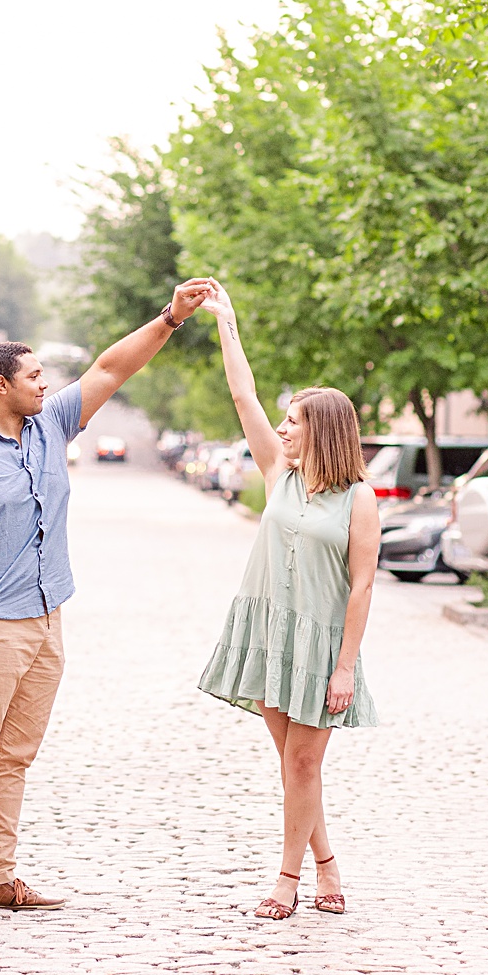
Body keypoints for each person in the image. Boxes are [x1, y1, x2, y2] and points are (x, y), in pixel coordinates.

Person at [0, 280, 211, 917]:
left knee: (14, 756)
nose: (44, 384)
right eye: (33, 376)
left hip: (46, 616)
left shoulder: (50, 425)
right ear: (0, 385)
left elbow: (111, 367)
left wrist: (170, 318)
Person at [196, 279, 379, 921]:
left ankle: (287, 879)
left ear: (322, 429)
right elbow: (243, 393)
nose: (280, 429)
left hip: (322, 644)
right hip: (268, 631)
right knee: (294, 764)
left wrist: (346, 666)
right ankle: (328, 867)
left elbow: (362, 584)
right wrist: (227, 322)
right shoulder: (279, 472)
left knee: (301, 763)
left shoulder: (360, 499)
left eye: (292, 421)